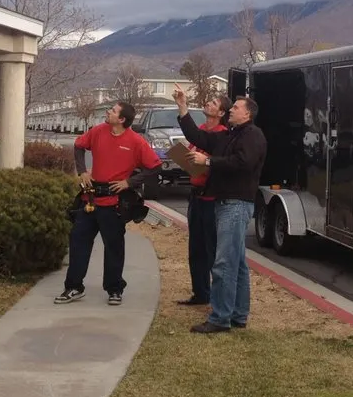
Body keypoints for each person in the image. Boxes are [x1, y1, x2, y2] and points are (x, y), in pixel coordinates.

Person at [172, 83, 267, 333]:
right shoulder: (229, 135)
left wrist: (209, 161)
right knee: (238, 263)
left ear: (247, 114)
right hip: (223, 203)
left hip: (236, 204)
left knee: (224, 262)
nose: (231, 111)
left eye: (235, 108)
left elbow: (243, 163)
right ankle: (238, 315)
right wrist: (182, 106)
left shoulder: (253, 135)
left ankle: (219, 318)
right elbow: (198, 137)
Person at [55, 101, 162, 306]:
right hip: (90, 200)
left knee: (113, 247)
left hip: (114, 204)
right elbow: (78, 146)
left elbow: (154, 167)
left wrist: (129, 183)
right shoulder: (98, 131)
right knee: (78, 242)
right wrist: (82, 171)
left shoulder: (135, 141)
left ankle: (114, 289)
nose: (108, 112)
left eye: (112, 111)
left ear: (121, 120)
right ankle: (74, 287)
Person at [178, 95, 231, 307]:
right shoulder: (201, 129)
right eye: (208, 101)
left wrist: (183, 108)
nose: (208, 104)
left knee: (212, 250)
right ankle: (200, 293)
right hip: (196, 196)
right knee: (196, 249)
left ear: (221, 113)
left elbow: (216, 163)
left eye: (214, 104)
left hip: (211, 199)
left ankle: (217, 297)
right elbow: (193, 148)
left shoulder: (222, 136)